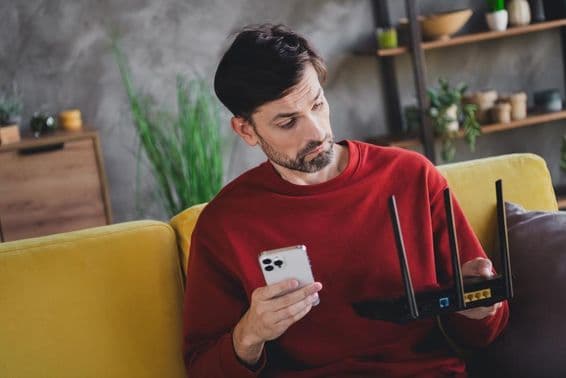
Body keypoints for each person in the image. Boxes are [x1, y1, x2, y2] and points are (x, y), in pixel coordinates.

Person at [182, 23, 508, 377]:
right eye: (288, 122)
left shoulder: (411, 175)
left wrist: (480, 307)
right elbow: (202, 368)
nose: (317, 131)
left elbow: (485, 328)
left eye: (317, 103)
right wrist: (250, 334)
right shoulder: (225, 224)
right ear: (246, 130)